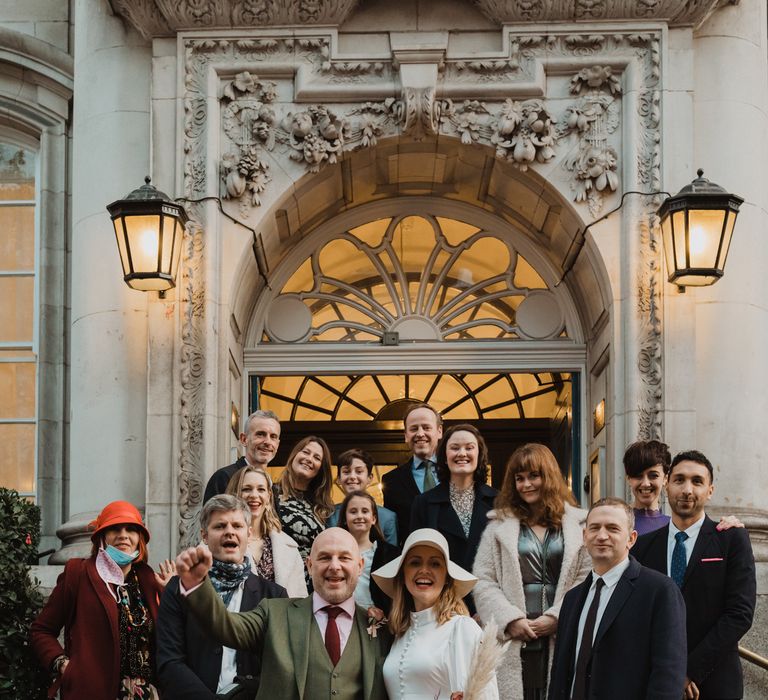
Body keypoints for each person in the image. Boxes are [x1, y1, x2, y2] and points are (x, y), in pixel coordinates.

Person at [174, 527, 390, 700]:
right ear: (310, 565)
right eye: (324, 558)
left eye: (344, 558)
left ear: (360, 566)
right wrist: (196, 585)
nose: (334, 566)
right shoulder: (274, 612)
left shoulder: (380, 627)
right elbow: (226, 626)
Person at [632, 450, 756, 700]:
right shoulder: (642, 547)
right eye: (679, 480)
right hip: (656, 682)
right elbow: (638, 615)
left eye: (697, 481)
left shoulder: (731, 539)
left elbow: (739, 614)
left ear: (710, 490)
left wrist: (689, 671)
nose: (687, 489)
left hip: (715, 681)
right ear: (666, 485)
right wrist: (668, 672)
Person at [473, 443, 591, 699]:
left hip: (562, 633)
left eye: (533, 476)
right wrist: (510, 620)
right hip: (514, 638)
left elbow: (586, 577)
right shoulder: (498, 526)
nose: (526, 484)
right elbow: (483, 580)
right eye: (519, 478)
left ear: (548, 476)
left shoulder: (580, 523)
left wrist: (557, 617)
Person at [31, 500, 175, 700]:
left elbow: (172, 640)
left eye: (131, 529)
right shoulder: (78, 574)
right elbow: (41, 630)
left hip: (147, 694)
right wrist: (63, 664)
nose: (123, 535)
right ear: (101, 537)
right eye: (114, 528)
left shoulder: (150, 579)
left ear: (139, 538)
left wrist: (172, 597)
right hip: (92, 691)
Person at [548, 498, 687, 700]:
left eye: (612, 528)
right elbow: (560, 673)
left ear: (631, 538)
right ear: (585, 536)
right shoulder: (572, 598)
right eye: (594, 528)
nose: (602, 536)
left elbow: (668, 675)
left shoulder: (659, 592)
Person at [156, 495, 287, 699]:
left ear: (249, 533)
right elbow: (169, 661)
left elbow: (277, 667)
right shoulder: (179, 588)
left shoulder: (273, 595)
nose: (229, 532)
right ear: (205, 536)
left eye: (237, 525)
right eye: (219, 526)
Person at [372, 528, 499, 700]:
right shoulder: (400, 632)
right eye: (415, 563)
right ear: (403, 574)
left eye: (435, 564)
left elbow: (485, 696)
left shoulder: (461, 628)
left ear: (447, 576)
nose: (424, 570)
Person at [410, 423, 498, 613]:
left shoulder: (499, 502)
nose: (462, 453)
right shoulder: (424, 503)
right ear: (444, 456)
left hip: (488, 605)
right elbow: (415, 560)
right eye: (455, 448)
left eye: (469, 447)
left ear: (479, 455)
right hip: (441, 605)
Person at [225, 465, 308, 597]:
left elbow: (299, 600)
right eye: (246, 489)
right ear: (235, 495)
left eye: (261, 489)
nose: (254, 495)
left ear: (269, 496)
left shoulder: (288, 546)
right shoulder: (217, 541)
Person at [275, 436, 335, 591]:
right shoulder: (270, 494)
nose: (309, 459)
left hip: (311, 586)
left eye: (316, 458)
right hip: (277, 579)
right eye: (305, 452)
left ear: (321, 468)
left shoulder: (323, 508)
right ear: (295, 455)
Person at [382, 403, 443, 545]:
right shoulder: (392, 481)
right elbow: (393, 531)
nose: (420, 434)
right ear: (406, 435)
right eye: (414, 428)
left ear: (439, 431)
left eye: (426, 427)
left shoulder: (455, 473)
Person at [337, 489, 400, 615]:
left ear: (373, 519)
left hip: (377, 621)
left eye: (365, 511)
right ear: (345, 518)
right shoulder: (335, 552)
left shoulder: (389, 554)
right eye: (353, 512)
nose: (359, 516)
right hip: (341, 616)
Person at [204, 410, 281, 503]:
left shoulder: (271, 486)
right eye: (260, 434)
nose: (268, 442)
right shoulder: (224, 478)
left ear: (277, 444)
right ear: (244, 439)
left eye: (273, 436)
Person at [327, 448, 398, 545]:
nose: (352, 476)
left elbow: (392, 556)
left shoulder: (388, 517)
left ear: (370, 478)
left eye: (359, 471)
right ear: (339, 478)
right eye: (346, 472)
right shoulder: (329, 515)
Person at [623, 439, 672, 535]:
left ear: (665, 479)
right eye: (638, 476)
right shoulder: (616, 523)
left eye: (653, 476)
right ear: (628, 479)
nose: (645, 483)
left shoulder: (675, 528)